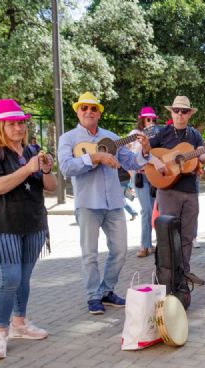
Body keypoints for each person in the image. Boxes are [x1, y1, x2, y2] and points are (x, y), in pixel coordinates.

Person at [58, 92, 152, 315]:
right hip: (87, 203)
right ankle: (93, 296)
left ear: (100, 113)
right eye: (84, 108)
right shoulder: (68, 138)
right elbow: (66, 168)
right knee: (89, 254)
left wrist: (146, 150)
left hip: (114, 204)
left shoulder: (111, 137)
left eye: (93, 108)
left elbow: (131, 162)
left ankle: (106, 290)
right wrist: (95, 157)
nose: (89, 112)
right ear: (78, 111)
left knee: (120, 251)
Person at [0, 99, 57, 359]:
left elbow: (51, 186)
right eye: (12, 123)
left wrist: (46, 169)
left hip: (33, 223)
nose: (19, 128)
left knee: (23, 278)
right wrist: (28, 168)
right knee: (9, 278)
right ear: (0, 126)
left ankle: (20, 324)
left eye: (21, 122)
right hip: (3, 225)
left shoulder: (33, 149)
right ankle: (0, 332)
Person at [148, 96, 205, 286]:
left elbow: (202, 156)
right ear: (171, 112)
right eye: (177, 111)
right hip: (168, 190)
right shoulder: (161, 133)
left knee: (187, 235)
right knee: (167, 234)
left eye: (184, 111)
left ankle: (184, 272)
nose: (180, 114)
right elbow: (144, 153)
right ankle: (164, 274)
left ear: (190, 113)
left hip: (190, 190)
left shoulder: (194, 135)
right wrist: (158, 162)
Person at [130, 106, 157, 257]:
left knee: (153, 211)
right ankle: (144, 245)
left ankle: (149, 244)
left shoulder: (157, 134)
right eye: (147, 118)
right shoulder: (134, 134)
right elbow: (131, 155)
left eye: (153, 119)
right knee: (146, 210)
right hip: (140, 176)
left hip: (154, 176)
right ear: (141, 119)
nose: (150, 121)